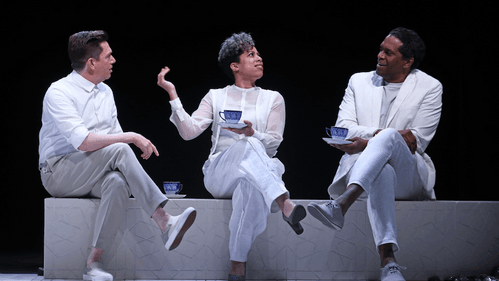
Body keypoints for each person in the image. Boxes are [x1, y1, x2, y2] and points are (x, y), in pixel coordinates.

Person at [38, 30, 197, 281]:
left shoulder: (105, 92)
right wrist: (132, 137)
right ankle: (164, 220)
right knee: (122, 147)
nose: (114, 60)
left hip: (92, 171)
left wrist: (127, 141)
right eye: (109, 56)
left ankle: (93, 264)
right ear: (91, 62)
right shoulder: (59, 91)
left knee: (117, 183)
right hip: (58, 171)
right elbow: (83, 142)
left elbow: (111, 139)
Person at [157, 32, 306, 281]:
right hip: (220, 173)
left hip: (258, 174)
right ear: (235, 66)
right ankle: (284, 203)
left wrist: (251, 132)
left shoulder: (274, 99)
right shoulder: (216, 96)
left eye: (258, 53)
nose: (259, 58)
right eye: (251, 54)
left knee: (248, 184)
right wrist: (172, 94)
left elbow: (273, 144)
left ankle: (237, 268)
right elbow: (188, 132)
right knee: (246, 146)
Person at [307, 27, 442, 281]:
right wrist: (382, 137)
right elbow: (343, 128)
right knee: (384, 163)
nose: (379, 55)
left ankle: (343, 202)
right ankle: (388, 263)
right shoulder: (358, 81)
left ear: (407, 61)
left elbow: (416, 139)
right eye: (380, 48)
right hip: (368, 171)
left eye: (388, 53)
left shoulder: (430, 86)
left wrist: (365, 141)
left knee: (390, 137)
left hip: (409, 175)